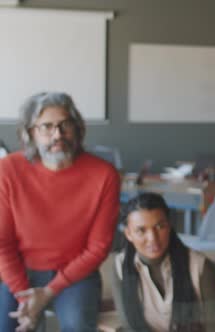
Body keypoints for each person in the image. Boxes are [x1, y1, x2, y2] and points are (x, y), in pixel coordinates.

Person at [0, 92, 120, 331]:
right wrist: (26, 299)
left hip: (75, 275)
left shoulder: (104, 174)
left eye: (65, 125)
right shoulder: (7, 170)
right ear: (31, 132)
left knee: (78, 326)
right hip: (19, 270)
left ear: (77, 128)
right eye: (47, 127)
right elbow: (2, 243)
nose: (58, 135)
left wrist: (49, 291)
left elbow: (98, 248)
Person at [112, 192, 215, 332]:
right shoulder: (120, 266)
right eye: (141, 231)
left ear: (169, 225)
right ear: (128, 234)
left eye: (159, 226)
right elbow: (129, 324)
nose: (152, 238)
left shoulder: (200, 267)